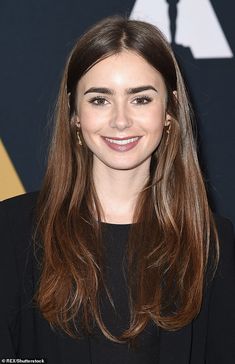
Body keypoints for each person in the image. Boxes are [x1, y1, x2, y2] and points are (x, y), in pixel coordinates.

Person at [0, 15, 235, 364]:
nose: (121, 120)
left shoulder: (213, 241)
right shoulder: (11, 229)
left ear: (169, 110)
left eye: (141, 99)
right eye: (99, 100)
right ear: (74, 114)